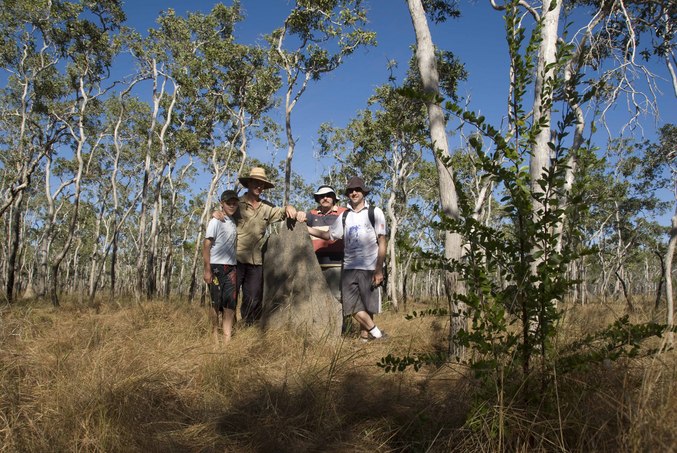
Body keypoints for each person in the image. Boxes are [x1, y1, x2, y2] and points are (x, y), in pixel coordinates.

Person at [307, 176, 388, 342]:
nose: (354, 193)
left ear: (363, 192)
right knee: (350, 306)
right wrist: (307, 228)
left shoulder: (375, 212)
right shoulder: (344, 216)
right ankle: (377, 333)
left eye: (357, 190)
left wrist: (379, 269)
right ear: (347, 194)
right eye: (351, 191)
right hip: (349, 267)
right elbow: (328, 234)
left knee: (368, 305)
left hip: (370, 266)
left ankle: (364, 339)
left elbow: (382, 241)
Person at [218, 167, 298, 325]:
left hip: (256, 262)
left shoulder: (267, 207)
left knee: (254, 297)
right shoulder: (237, 203)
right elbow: (223, 212)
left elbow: (282, 212)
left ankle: (248, 329)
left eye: (262, 184)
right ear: (248, 183)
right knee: (230, 295)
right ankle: (228, 328)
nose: (259, 186)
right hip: (234, 259)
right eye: (256, 182)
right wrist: (216, 212)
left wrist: (289, 207)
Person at [203, 189, 240, 345]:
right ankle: (214, 337)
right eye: (228, 203)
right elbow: (206, 245)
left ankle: (227, 339)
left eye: (234, 203)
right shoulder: (215, 221)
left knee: (230, 304)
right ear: (222, 204)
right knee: (215, 303)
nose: (231, 205)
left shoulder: (233, 221)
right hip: (217, 267)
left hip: (232, 267)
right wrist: (207, 270)